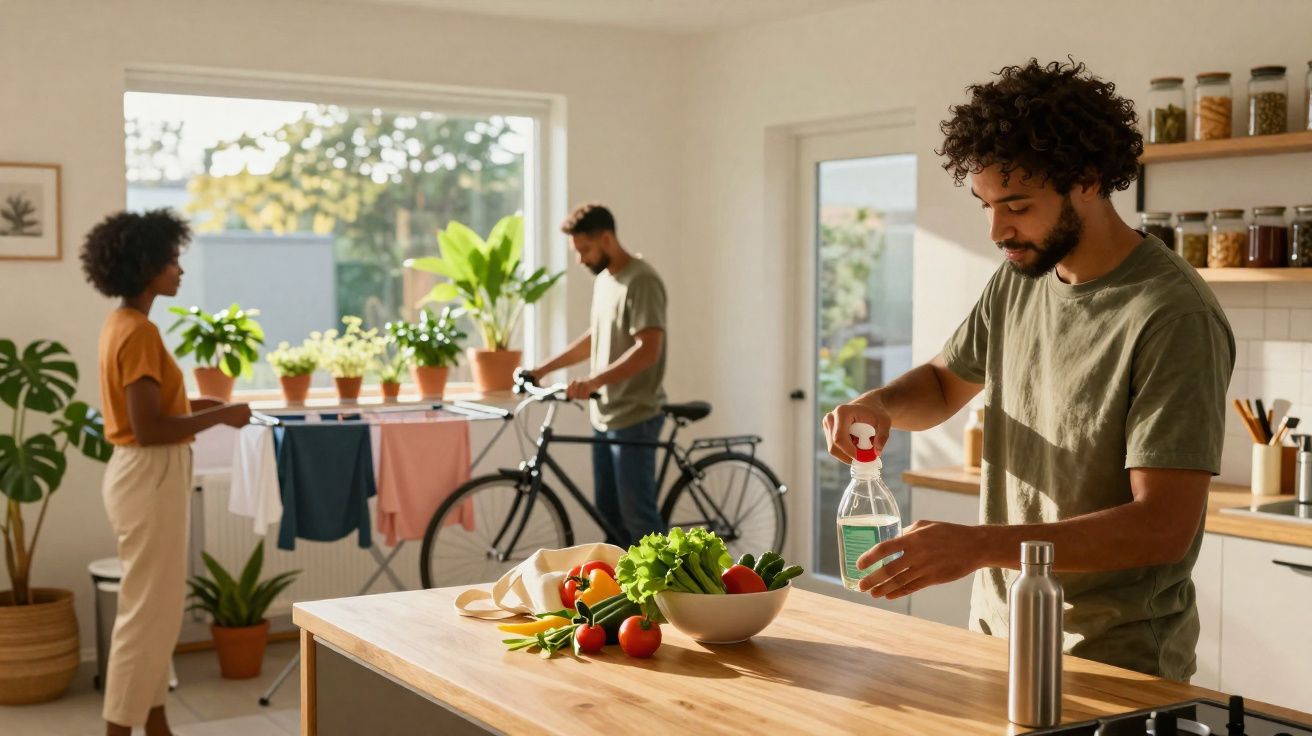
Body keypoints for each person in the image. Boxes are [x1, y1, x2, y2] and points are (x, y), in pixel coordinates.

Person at [824, 60, 1234, 681]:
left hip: (1109, 662)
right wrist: (879, 403)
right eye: (986, 204)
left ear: (1089, 181)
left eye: (1016, 204)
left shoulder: (1171, 315)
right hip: (996, 636)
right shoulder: (1019, 279)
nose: (996, 228)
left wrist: (978, 546)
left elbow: (1162, 527)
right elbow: (942, 384)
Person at [81, 209, 250, 736]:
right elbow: (150, 426)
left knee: (154, 612)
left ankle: (156, 725)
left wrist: (207, 401)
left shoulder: (123, 325)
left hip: (141, 472)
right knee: (146, 615)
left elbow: (159, 404)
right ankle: (120, 729)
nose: (179, 269)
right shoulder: (139, 333)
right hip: (150, 470)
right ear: (144, 265)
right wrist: (223, 415)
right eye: (171, 259)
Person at [525, 203, 668, 547]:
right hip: (604, 414)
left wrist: (594, 381)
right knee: (609, 513)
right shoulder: (606, 281)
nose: (580, 260)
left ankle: (668, 598)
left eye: (585, 250)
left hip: (635, 414)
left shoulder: (642, 279)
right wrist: (541, 369)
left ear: (607, 238)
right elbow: (596, 338)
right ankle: (624, 594)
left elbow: (649, 350)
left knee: (640, 521)